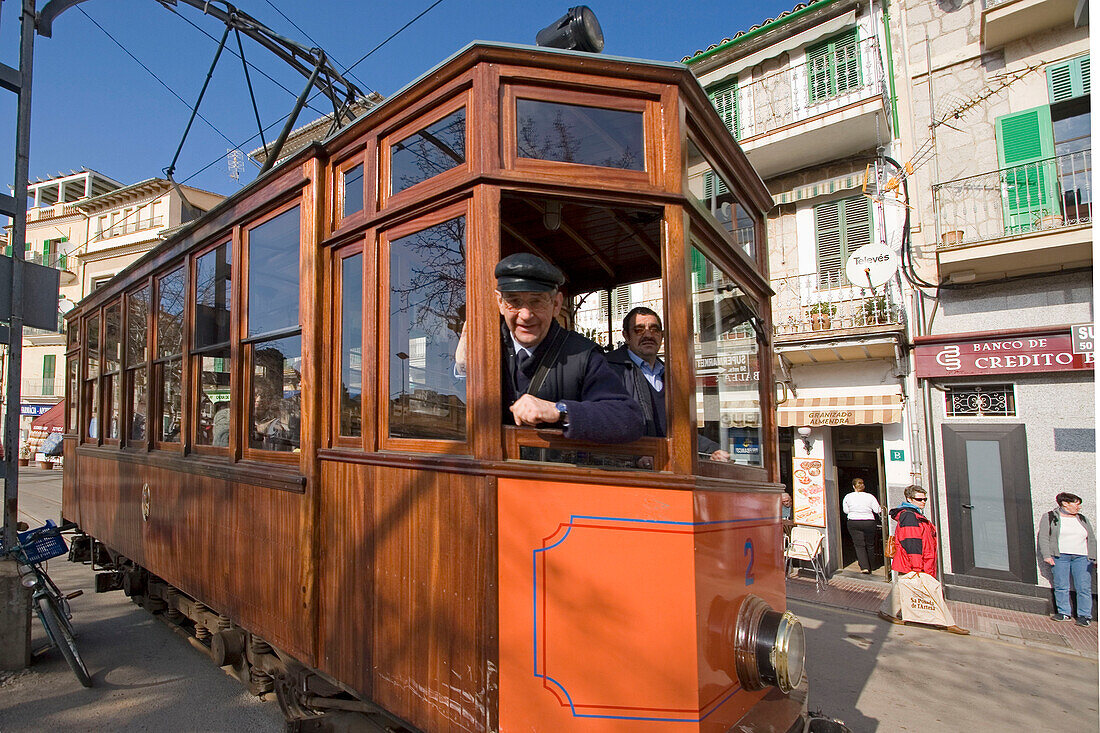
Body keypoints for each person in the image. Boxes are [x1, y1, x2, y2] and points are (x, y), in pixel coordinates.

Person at [494, 253, 643, 444]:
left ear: (556, 304)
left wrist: (559, 410)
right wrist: (462, 368)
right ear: (500, 302)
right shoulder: (484, 346)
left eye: (536, 301)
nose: (525, 315)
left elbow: (629, 419)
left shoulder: (583, 354)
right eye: (514, 302)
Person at [605, 307, 729, 461]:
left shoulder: (670, 376)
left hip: (666, 469)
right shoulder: (608, 369)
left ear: (662, 336)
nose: (648, 335)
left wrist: (712, 450)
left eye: (654, 329)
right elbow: (604, 425)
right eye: (639, 330)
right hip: (626, 474)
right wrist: (635, 456)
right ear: (626, 336)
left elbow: (680, 430)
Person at [878, 485, 969, 634]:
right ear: (909, 499)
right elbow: (911, 541)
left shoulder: (915, 514)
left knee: (902, 587)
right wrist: (917, 566)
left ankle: (886, 612)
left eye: (925, 499)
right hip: (916, 562)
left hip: (918, 561)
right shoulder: (909, 516)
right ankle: (946, 622)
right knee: (933, 590)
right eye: (919, 499)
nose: (923, 502)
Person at [1039, 492, 1095, 626]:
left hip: (1082, 557)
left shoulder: (1082, 519)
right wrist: (1046, 555)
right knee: (1061, 585)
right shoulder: (1050, 517)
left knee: (1083, 586)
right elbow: (1044, 537)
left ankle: (1084, 615)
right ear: (1065, 503)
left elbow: (1091, 539)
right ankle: (1064, 613)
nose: (1079, 507)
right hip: (1060, 556)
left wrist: (1094, 557)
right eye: (1076, 504)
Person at [842, 477, 881, 574]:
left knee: (859, 545)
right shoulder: (870, 496)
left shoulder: (848, 496)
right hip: (869, 521)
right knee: (870, 544)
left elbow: (846, 511)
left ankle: (864, 567)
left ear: (853, 486)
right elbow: (878, 510)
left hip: (854, 521)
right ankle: (872, 565)